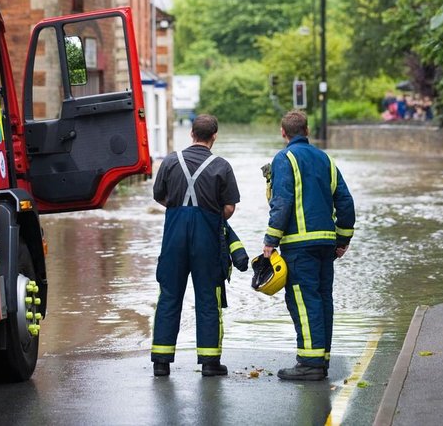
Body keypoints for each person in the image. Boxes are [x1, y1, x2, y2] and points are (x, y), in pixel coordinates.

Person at [262, 110, 355, 381]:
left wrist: (270, 240)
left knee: (303, 301)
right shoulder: (326, 159)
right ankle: (321, 358)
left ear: (283, 133)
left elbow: (283, 201)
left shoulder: (283, 158)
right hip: (326, 244)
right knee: (323, 299)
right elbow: (345, 201)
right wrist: (343, 238)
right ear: (308, 130)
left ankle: (310, 364)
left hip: (299, 246)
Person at [150, 114, 246, 377]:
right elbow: (228, 207)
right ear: (214, 136)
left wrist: (180, 207)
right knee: (208, 298)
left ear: (191, 133)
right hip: (207, 238)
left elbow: (160, 196)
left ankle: (161, 361)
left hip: (174, 237)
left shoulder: (170, 161)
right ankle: (209, 363)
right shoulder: (222, 166)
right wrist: (209, 213)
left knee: (169, 295)